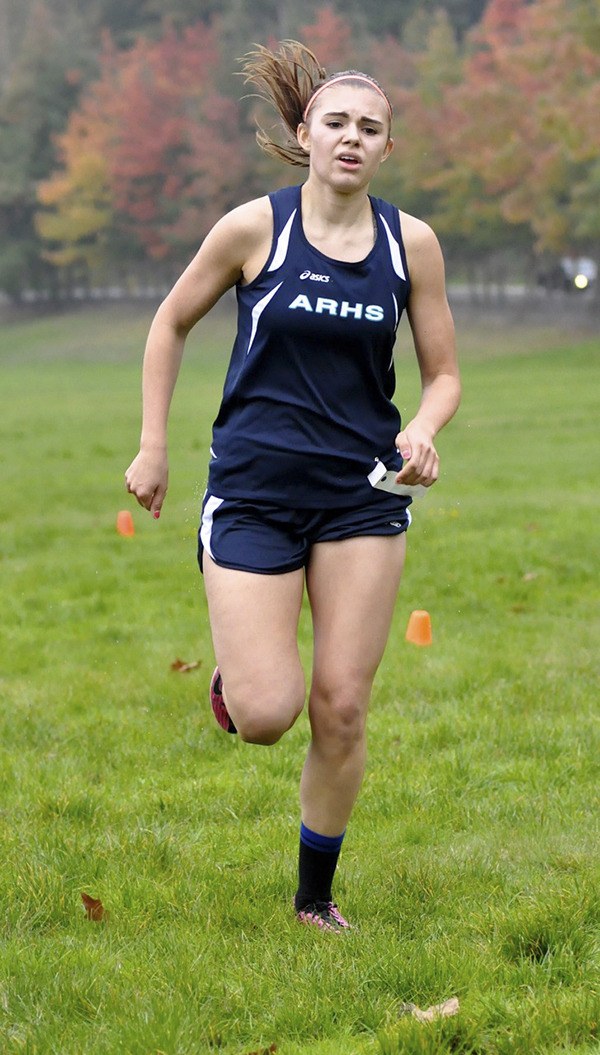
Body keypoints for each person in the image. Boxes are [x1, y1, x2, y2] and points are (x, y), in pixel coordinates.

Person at [125, 41, 460, 932]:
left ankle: (316, 898)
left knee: (342, 706)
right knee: (270, 713)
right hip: (255, 491)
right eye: (338, 122)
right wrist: (154, 446)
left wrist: (422, 428)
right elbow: (170, 322)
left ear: (388, 149)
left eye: (371, 129)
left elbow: (445, 375)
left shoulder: (409, 244)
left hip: (360, 495)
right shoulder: (252, 229)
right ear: (305, 131)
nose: (352, 139)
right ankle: (239, 675)